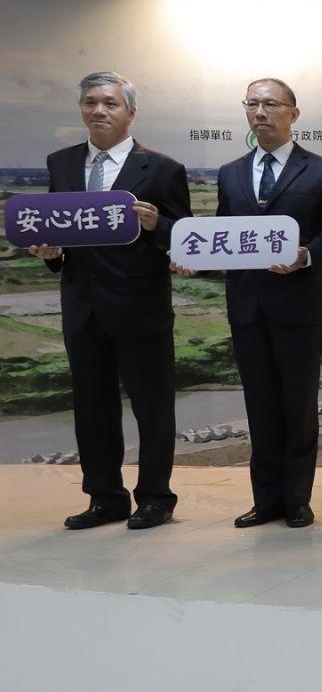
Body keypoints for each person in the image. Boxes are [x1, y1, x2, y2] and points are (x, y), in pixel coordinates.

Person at [33, 72, 190, 531]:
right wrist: (51, 253)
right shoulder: (61, 162)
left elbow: (183, 237)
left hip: (140, 306)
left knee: (152, 409)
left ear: (130, 112)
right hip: (82, 306)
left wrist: (157, 226)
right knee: (92, 408)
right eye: (90, 102)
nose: (98, 110)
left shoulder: (162, 169)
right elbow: (58, 229)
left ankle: (156, 498)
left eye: (109, 103)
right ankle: (105, 498)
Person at [214, 78, 322, 529]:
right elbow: (222, 237)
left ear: (293, 112)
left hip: (298, 305)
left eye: (270, 104)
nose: (260, 112)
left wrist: (306, 255)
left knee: (299, 404)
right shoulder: (230, 173)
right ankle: (265, 499)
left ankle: (297, 499)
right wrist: (194, 258)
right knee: (259, 404)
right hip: (246, 306)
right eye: (252, 104)